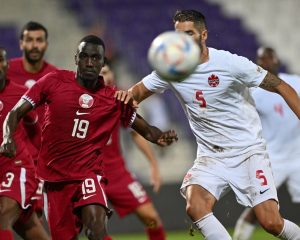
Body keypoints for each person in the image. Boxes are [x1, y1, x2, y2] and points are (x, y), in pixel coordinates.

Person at [115, 10, 300, 239]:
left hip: (248, 152)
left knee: (271, 222)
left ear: (204, 35)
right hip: (211, 157)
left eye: (190, 33)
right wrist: (128, 101)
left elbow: (281, 86)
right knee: (195, 206)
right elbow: (134, 95)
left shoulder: (231, 63)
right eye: (179, 35)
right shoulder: (171, 70)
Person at [0, 35, 178, 240]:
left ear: (103, 62)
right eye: (85, 56)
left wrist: (161, 137)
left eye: (96, 58)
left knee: (96, 230)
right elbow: (15, 113)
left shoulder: (113, 98)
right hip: (54, 181)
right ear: (76, 58)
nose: (90, 62)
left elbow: (146, 130)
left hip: (88, 175)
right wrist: (8, 138)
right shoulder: (53, 81)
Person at [233, 47, 300, 240]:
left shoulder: (295, 82)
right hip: (272, 157)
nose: (266, 62)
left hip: (298, 155)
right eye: (261, 59)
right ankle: (240, 237)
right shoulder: (253, 92)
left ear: (277, 59)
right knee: (259, 207)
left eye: (269, 58)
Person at [100, 62, 166, 240]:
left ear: (112, 74)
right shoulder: (81, 100)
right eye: (99, 73)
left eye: (106, 72)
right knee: (95, 228)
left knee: (151, 219)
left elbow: (136, 134)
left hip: (117, 173)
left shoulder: (119, 100)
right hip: (90, 174)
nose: (103, 77)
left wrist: (154, 165)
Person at [0, 47, 50, 240]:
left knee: (3, 215)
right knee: (30, 229)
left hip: (18, 168)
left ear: (7, 65)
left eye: (0, 60)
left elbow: (38, 133)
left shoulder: (22, 95)